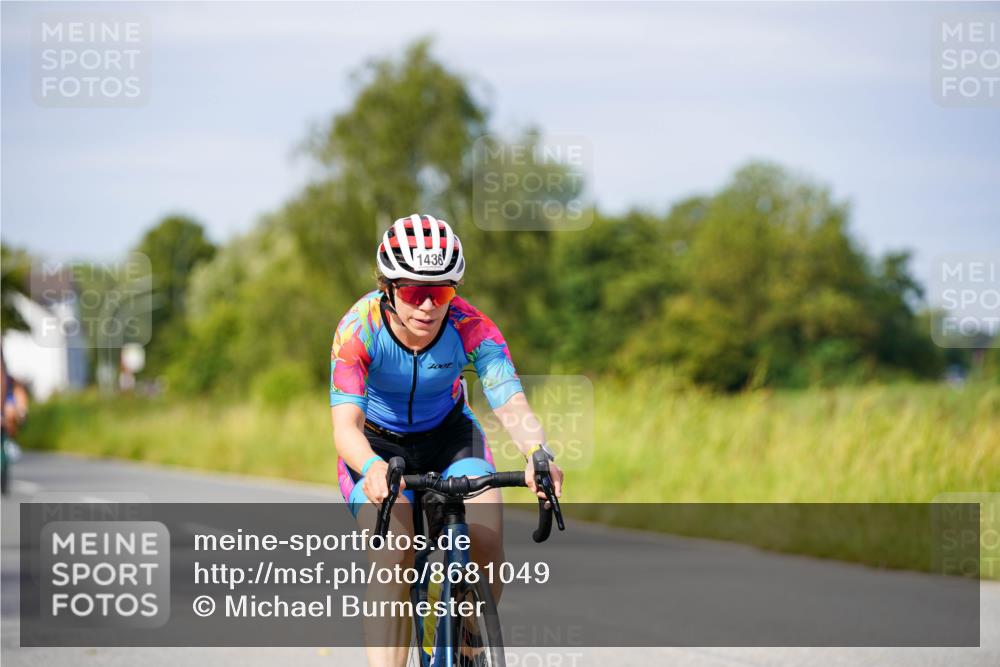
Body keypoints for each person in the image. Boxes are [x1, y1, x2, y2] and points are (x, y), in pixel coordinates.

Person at [330, 213, 563, 667]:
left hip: (450, 436)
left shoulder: (471, 325)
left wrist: (538, 453)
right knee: (394, 550)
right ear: (388, 288)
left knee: (487, 535)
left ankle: (470, 644)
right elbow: (346, 428)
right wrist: (374, 467)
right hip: (377, 447)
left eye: (440, 293)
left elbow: (510, 401)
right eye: (415, 292)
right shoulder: (357, 331)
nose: (428, 307)